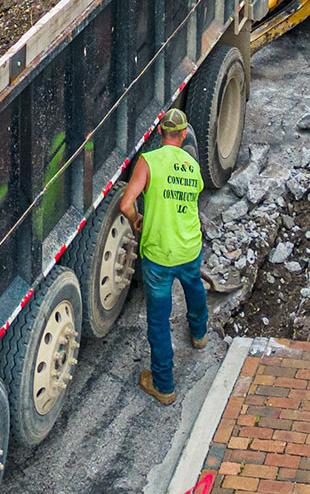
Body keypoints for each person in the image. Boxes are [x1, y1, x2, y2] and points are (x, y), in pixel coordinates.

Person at [118, 108, 207, 405]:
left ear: (160, 133)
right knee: (195, 288)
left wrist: (136, 219)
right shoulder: (192, 166)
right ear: (183, 135)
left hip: (159, 254)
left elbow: (126, 204)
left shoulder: (149, 161)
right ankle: (199, 334)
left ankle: (164, 386)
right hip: (190, 246)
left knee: (158, 321)